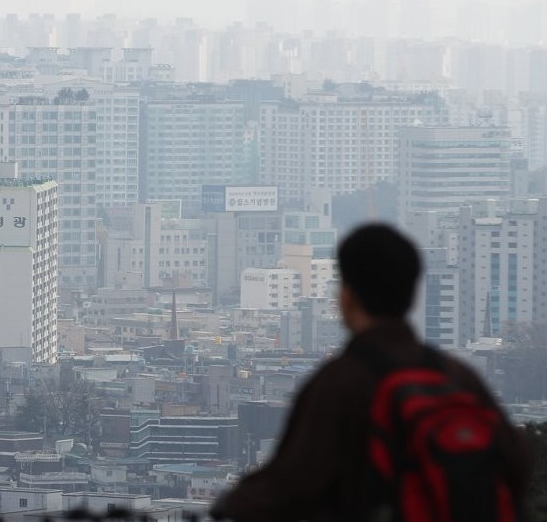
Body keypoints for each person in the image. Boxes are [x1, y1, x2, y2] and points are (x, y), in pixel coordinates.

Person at [211, 223, 529, 522]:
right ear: (412, 296)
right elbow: (515, 463)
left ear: (347, 297)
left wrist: (228, 505)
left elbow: (292, 483)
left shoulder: (342, 381)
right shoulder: (457, 376)